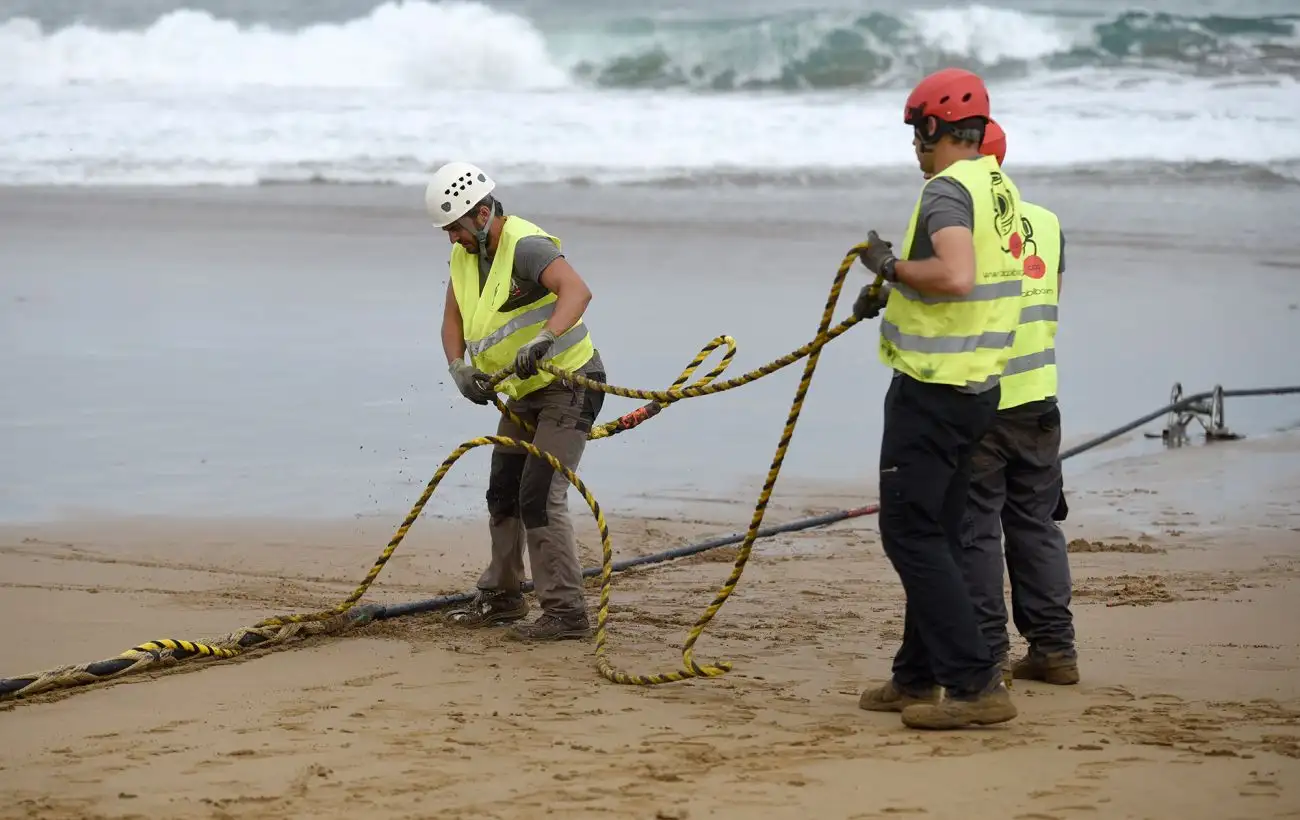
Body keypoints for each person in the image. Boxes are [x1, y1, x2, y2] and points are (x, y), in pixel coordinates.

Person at [850, 68, 1026, 730]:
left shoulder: (947, 192)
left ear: (932, 127)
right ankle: (916, 678)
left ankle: (975, 686)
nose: (914, 148)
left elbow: (956, 273)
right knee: (941, 532)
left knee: (910, 533)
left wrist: (891, 268)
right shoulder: (996, 185)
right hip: (979, 386)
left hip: (935, 390)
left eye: (914, 133)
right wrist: (896, 288)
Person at [428, 161, 607, 642]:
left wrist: (545, 339)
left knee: (539, 496)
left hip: (570, 386)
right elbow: (453, 324)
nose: (452, 240)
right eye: (446, 231)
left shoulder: (525, 247)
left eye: (455, 229)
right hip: (521, 396)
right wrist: (459, 369)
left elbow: (577, 290)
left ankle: (566, 613)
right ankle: (504, 597)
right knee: (503, 490)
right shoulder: (465, 259)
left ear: (482, 214)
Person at [960, 120, 1079, 685]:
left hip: (981, 401)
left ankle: (988, 656)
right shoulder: (1049, 224)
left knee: (977, 530)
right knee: (1035, 526)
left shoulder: (961, 228)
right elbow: (1050, 297)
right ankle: (1055, 650)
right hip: (1039, 400)